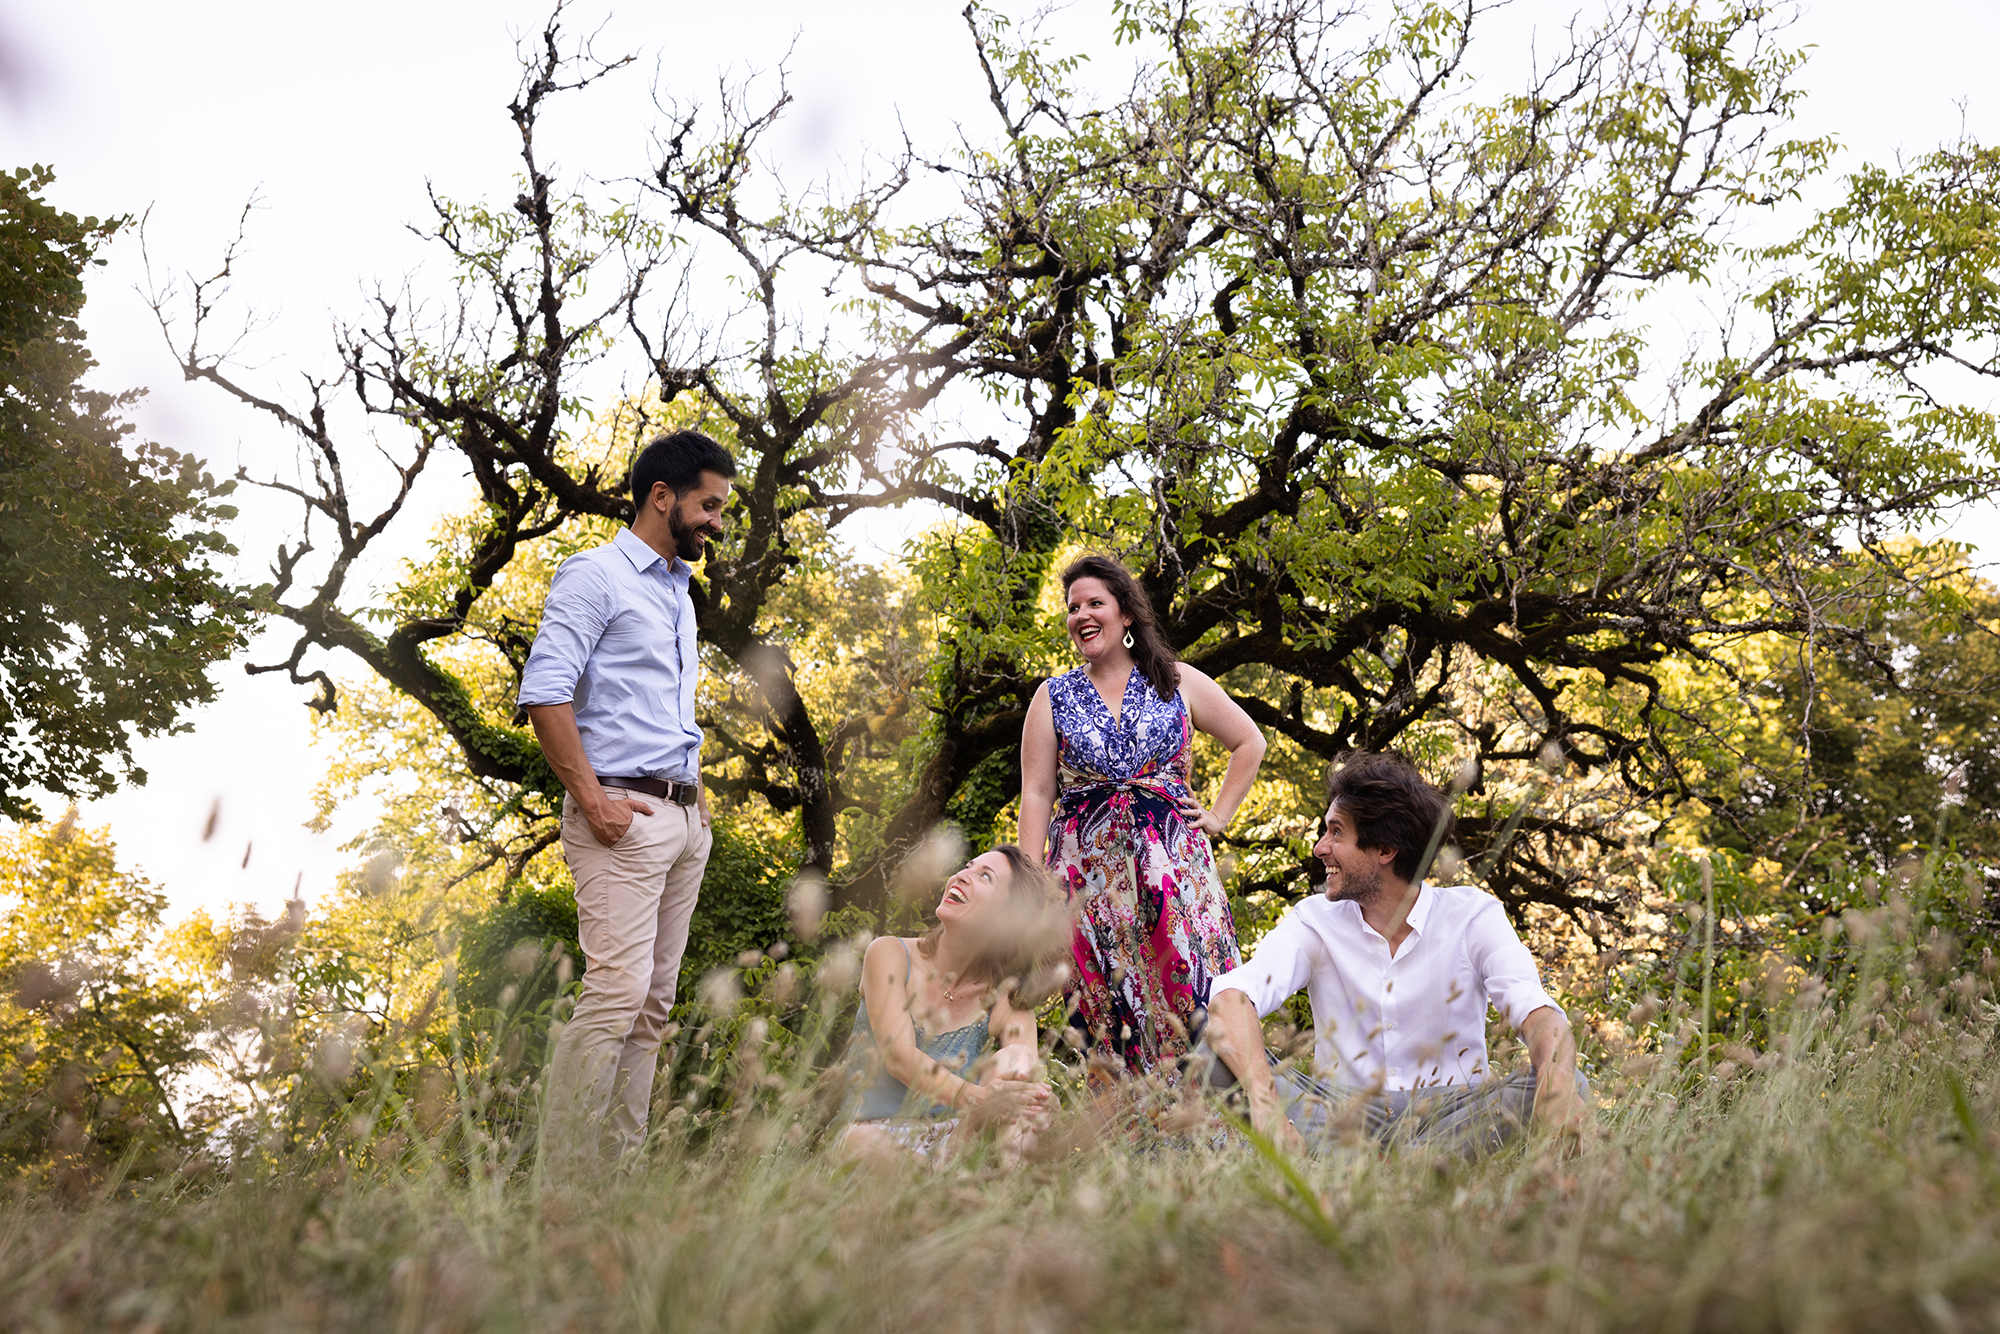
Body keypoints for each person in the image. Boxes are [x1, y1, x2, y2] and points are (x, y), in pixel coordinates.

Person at [518, 428, 734, 1168]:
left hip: (681, 820)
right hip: (621, 819)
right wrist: (594, 800)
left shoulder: (680, 594)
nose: (716, 521)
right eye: (708, 506)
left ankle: (619, 1179)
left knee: (651, 1008)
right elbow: (545, 694)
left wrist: (694, 791)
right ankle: (563, 1184)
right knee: (614, 999)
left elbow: (658, 707)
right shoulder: (596, 575)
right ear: (661, 497)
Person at [1197, 750, 1591, 1155]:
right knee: (1210, 1054)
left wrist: (1554, 1088)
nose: (1319, 848)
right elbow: (1231, 1000)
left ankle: (1386, 1167)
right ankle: (1391, 1167)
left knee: (1565, 1079)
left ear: (1385, 849)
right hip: (1337, 1113)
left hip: (1454, 1114)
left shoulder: (1473, 914)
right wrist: (1268, 1108)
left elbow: (1538, 1014)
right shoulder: (1314, 919)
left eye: (1336, 833)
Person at [1018, 555, 1266, 1084]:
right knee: (1103, 1003)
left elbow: (1250, 741)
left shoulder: (1178, 681)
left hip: (1176, 876)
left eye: (1094, 603)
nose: (1081, 615)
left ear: (1126, 613)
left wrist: (1220, 814)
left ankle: (1224, 1130)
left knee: (1196, 997)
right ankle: (1128, 1143)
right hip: (1086, 881)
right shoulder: (1052, 696)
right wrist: (1030, 875)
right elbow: (1037, 792)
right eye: (1072, 608)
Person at [841, 845, 1063, 1162]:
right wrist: (982, 1098)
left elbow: (1022, 1084)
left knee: (1018, 1059)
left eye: (984, 876)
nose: (961, 875)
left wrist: (1038, 1101)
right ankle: (948, 1188)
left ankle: (1006, 1192)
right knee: (858, 1142)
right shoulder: (888, 954)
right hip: (872, 1138)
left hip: (955, 1141)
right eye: (967, 867)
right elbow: (900, 1059)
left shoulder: (1008, 999)